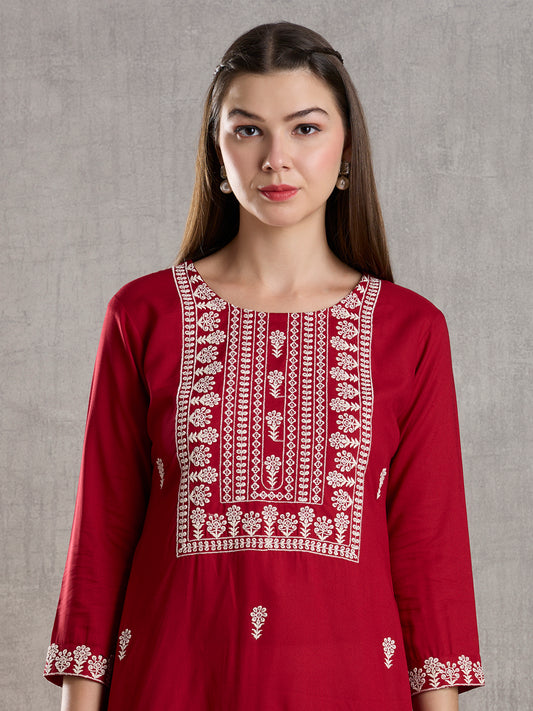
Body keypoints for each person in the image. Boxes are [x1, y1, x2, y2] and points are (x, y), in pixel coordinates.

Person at [44, 21, 484, 711]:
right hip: (171, 686)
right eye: (248, 130)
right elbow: (99, 539)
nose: (276, 159)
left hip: (351, 691)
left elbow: (431, 559)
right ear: (217, 152)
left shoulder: (410, 331)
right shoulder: (145, 315)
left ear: (346, 152)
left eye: (305, 129)